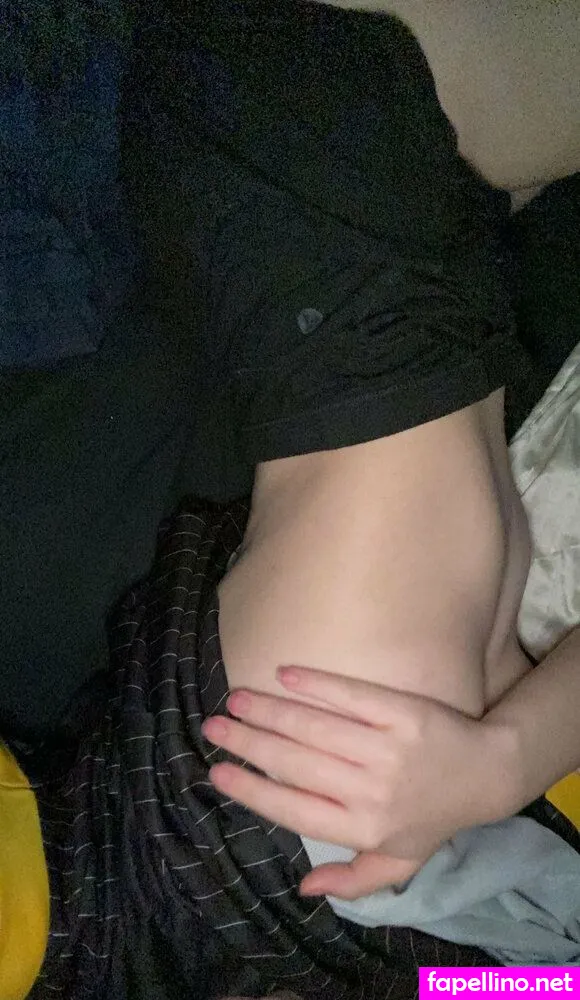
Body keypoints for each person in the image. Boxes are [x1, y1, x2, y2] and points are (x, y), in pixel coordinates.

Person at [2, 0, 580, 996]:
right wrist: (500, 764)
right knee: (230, 68)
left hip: (254, 764)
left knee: (224, 77)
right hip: (320, 752)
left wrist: (504, 763)